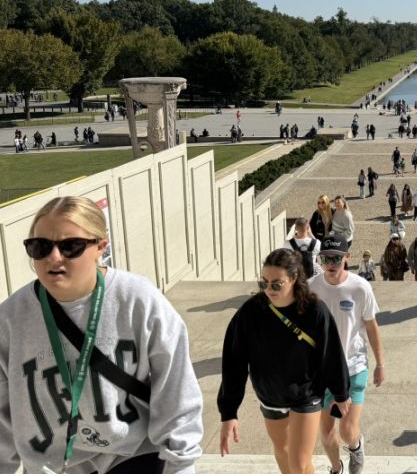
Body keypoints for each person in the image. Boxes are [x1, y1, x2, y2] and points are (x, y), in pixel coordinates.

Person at [0, 196, 203, 474]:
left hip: (132, 456)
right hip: (54, 466)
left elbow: (176, 390)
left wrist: (181, 464)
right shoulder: (9, 320)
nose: (54, 257)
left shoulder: (138, 300)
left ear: (100, 247)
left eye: (70, 246)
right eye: (40, 247)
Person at [218, 249, 350, 474]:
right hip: (270, 395)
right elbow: (234, 363)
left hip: (306, 393)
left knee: (298, 464)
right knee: (283, 452)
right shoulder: (251, 312)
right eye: (264, 283)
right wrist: (229, 412)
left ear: (294, 278)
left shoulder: (314, 310)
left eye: (276, 284)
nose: (269, 290)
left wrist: (341, 392)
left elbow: (332, 353)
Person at [309, 236, 386, 474]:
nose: (331, 264)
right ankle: (336, 468)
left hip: (354, 366)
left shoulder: (360, 287)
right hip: (322, 371)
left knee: (347, 431)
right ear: (319, 260)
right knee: (325, 432)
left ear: (347, 258)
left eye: (336, 259)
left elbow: (371, 325)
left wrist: (380, 364)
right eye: (326, 259)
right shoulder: (311, 288)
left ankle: (355, 445)